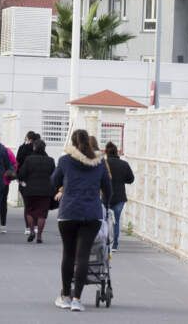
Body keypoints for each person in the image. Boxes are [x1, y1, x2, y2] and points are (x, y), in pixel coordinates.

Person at [51, 129, 112, 312]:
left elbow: (53, 182)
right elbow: (108, 190)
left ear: (73, 143)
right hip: (92, 214)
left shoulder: (64, 161)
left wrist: (63, 187)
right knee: (83, 255)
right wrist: (106, 206)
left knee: (68, 254)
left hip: (69, 212)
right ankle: (77, 299)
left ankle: (65, 296)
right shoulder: (99, 163)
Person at [17, 138, 55, 243]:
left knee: (29, 211)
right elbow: (54, 176)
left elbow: (21, 174)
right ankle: (39, 236)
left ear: (34, 148)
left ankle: (32, 231)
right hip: (45, 191)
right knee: (42, 214)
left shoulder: (29, 159)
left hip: (30, 190)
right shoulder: (50, 160)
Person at [105, 142, 134, 252]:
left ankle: (106, 242)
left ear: (106, 152)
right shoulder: (124, 164)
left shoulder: (104, 163)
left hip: (106, 197)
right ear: (116, 152)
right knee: (116, 220)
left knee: (105, 219)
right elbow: (131, 179)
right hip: (120, 197)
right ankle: (115, 244)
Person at [16, 131, 39, 236]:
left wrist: (18, 178)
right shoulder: (39, 149)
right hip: (36, 180)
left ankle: (27, 228)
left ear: (28, 139)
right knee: (36, 204)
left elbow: (17, 163)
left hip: (24, 180)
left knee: (27, 205)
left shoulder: (22, 149)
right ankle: (35, 225)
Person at [0, 142, 17, 233]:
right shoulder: (8, 151)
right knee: (3, 203)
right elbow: (15, 164)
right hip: (5, 181)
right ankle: (3, 225)